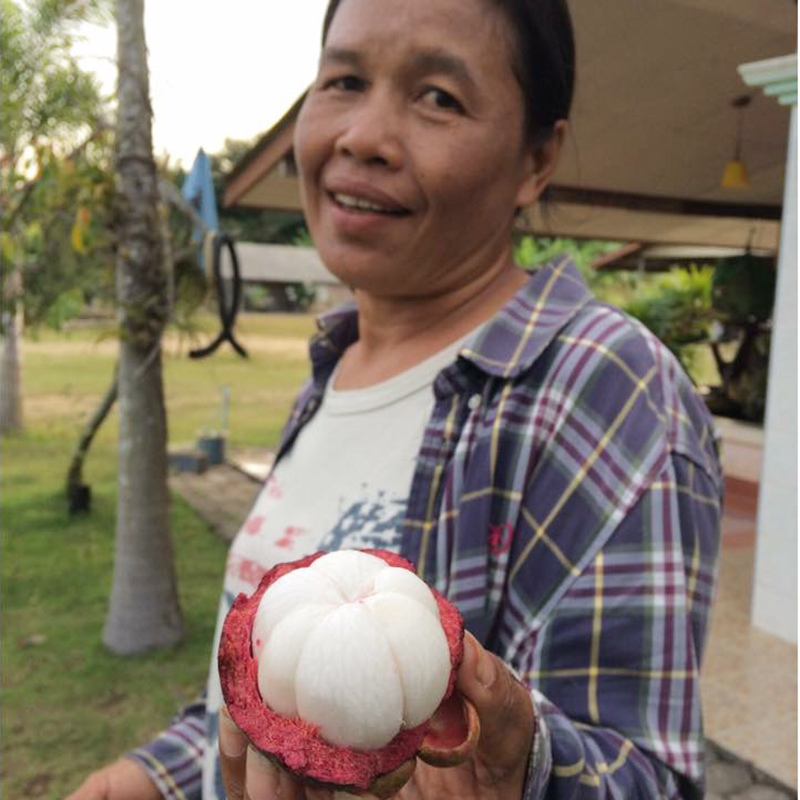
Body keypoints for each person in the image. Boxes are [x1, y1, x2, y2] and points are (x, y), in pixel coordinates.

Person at [68, 0, 723, 798]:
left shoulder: (610, 388)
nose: (363, 137)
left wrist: (520, 769)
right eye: (343, 80)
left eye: (439, 97)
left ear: (537, 159)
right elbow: (282, 682)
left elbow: (647, 776)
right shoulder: (332, 368)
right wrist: (157, 775)